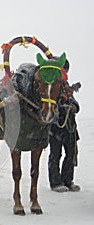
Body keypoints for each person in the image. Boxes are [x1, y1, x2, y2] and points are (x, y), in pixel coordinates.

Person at [48, 59, 81, 192]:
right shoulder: (51, 88)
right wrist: (64, 109)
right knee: (56, 154)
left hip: (70, 127)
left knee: (71, 153)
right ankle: (55, 182)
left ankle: (68, 180)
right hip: (56, 127)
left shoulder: (66, 88)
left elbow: (73, 101)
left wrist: (74, 106)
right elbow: (51, 106)